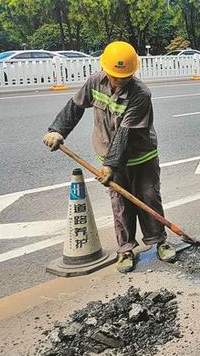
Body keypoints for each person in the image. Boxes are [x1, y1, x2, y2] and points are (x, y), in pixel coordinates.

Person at [42, 41, 175, 273]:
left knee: (149, 197)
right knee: (120, 205)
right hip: (108, 159)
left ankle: (159, 241)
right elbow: (75, 106)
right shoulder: (95, 82)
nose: (120, 80)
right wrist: (57, 130)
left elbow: (125, 132)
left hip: (141, 157)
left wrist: (110, 165)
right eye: (116, 75)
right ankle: (125, 249)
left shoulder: (141, 94)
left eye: (125, 76)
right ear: (105, 69)